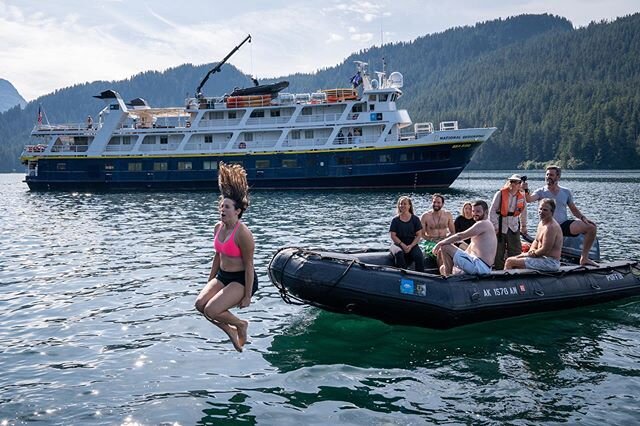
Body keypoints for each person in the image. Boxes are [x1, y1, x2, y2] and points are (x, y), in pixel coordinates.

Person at [195, 162, 258, 352]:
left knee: (211, 310)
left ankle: (240, 325)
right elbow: (218, 256)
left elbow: (249, 266)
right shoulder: (218, 228)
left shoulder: (243, 233)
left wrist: (247, 295)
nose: (222, 209)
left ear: (237, 211)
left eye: (227, 207)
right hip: (223, 276)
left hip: (241, 279)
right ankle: (230, 329)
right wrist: (210, 281)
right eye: (221, 206)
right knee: (200, 304)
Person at [525, 165, 598, 266]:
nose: (548, 177)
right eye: (547, 175)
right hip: (548, 227)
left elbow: (574, 210)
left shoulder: (566, 192)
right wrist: (525, 190)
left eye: (551, 175)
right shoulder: (541, 191)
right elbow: (529, 199)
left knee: (591, 227)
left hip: (563, 225)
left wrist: (583, 218)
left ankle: (584, 258)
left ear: (558, 177)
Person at [432, 200, 497, 276]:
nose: (475, 214)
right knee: (442, 268)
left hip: (480, 266)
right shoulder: (483, 225)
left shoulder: (483, 223)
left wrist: (440, 243)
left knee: (445, 246)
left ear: (486, 212)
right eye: (473, 211)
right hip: (478, 264)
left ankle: (449, 280)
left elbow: (460, 236)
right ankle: (450, 276)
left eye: (478, 211)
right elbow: (471, 248)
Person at [505, 198, 562, 271]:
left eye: (545, 210)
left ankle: (508, 281)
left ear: (552, 212)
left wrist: (530, 255)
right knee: (516, 258)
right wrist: (530, 251)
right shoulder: (542, 223)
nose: (541, 212)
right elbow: (536, 241)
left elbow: (545, 250)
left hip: (550, 262)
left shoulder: (551, 228)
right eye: (540, 209)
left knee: (509, 261)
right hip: (541, 257)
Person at [489, 174, 528, 269]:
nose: (513, 184)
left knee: (515, 250)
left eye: (516, 182)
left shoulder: (522, 196)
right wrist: (495, 226)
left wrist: (524, 226)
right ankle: (498, 269)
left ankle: (514, 270)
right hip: (501, 226)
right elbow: (492, 210)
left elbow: (524, 212)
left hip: (514, 226)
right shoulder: (500, 194)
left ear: (520, 184)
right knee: (498, 251)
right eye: (512, 181)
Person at [389, 196, 425, 272]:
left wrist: (411, 246)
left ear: (409, 206)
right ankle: (403, 275)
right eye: (401, 204)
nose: (402, 206)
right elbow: (393, 235)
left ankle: (421, 278)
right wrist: (402, 245)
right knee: (399, 253)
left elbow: (419, 235)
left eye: (405, 204)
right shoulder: (395, 220)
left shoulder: (415, 219)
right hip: (398, 244)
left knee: (419, 256)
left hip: (411, 243)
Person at [420, 193, 455, 266]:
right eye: (434, 202)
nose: (436, 204)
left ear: (442, 204)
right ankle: (443, 273)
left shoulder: (448, 215)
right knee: (440, 251)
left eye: (438, 202)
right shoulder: (425, 216)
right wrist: (432, 240)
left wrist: (445, 239)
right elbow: (422, 234)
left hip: (444, 240)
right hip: (430, 242)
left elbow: (452, 232)